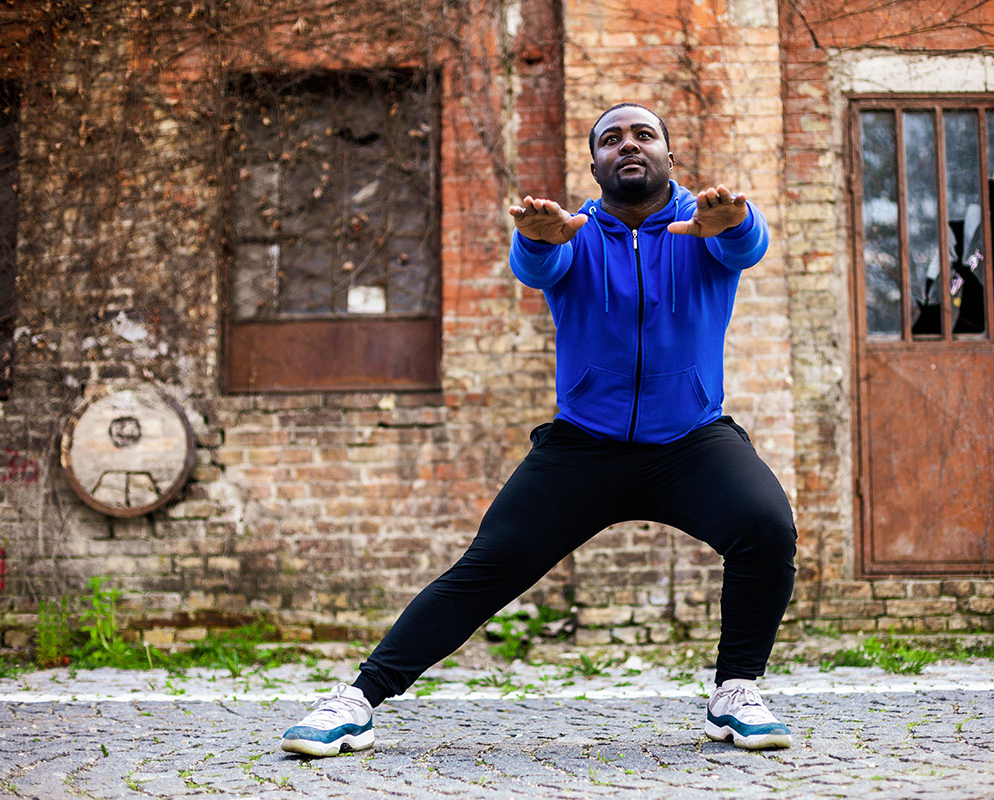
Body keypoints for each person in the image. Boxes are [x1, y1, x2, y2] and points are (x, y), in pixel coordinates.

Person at [280, 102, 797, 756]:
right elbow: (535, 269)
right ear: (595, 164)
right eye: (611, 139)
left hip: (690, 442)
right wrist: (536, 239)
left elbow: (746, 243)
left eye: (644, 135)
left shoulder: (704, 227)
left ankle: (735, 692)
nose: (627, 145)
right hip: (584, 445)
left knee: (766, 527)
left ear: (669, 155)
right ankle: (356, 700)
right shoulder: (572, 232)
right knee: (489, 566)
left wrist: (739, 222)